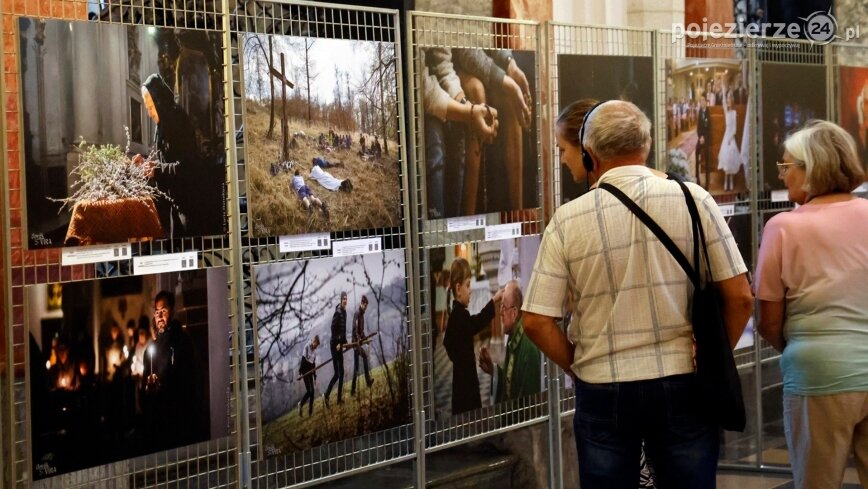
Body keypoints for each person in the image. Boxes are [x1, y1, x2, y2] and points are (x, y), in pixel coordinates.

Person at [521, 100, 753, 489]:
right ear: (644, 148)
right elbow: (741, 298)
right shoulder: (695, 200)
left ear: (590, 155)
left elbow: (535, 321)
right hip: (683, 380)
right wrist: (710, 356)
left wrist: (578, 365)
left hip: (602, 387)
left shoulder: (567, 219)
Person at [754, 120, 868, 489]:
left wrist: (803, 349)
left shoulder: (784, 228)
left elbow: (768, 320)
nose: (783, 176)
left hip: (818, 375)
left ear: (811, 168)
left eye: (787, 166)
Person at [141, 73, 212, 237]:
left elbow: (189, 166)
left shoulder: (178, 121)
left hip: (190, 206)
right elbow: (166, 159)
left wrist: (157, 170)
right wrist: (146, 164)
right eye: (147, 108)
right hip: (176, 204)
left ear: (159, 102)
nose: (149, 113)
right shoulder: (163, 125)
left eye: (150, 107)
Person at [443, 257, 503, 415]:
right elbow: (476, 323)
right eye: (468, 285)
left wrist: (457, 357)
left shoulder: (456, 314)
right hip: (466, 383)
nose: (470, 290)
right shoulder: (460, 315)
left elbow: (447, 342)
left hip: (461, 379)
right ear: (458, 288)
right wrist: (494, 301)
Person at [142, 290, 196, 449]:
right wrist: (148, 387)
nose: (159, 316)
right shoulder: (150, 348)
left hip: (176, 417)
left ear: (172, 311)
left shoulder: (182, 341)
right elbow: (145, 384)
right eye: (157, 312)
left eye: (163, 311)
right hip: (156, 419)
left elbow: (188, 380)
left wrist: (164, 387)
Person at [478, 280, 540, 402]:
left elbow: (530, 405)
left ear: (514, 313)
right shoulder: (513, 336)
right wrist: (493, 370)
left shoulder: (528, 348)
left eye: (503, 307)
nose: (500, 313)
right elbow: (510, 384)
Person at [324, 292, 349, 407]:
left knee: (342, 373)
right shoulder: (338, 313)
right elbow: (333, 329)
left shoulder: (344, 312)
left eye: (346, 299)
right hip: (334, 346)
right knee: (337, 374)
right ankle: (326, 394)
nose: (345, 300)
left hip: (339, 345)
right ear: (340, 300)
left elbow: (342, 331)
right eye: (343, 299)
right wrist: (338, 343)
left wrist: (345, 343)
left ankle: (339, 399)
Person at [717, 89, 743, 192]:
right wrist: (723, 90)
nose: (728, 100)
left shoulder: (733, 112)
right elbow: (723, 102)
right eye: (727, 98)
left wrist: (731, 139)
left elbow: (735, 129)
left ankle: (731, 180)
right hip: (726, 136)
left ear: (732, 100)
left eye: (729, 98)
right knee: (725, 157)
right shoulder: (726, 111)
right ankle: (726, 181)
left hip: (731, 137)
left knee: (731, 158)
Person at [350, 296, 374, 395]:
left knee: (356, 366)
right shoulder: (357, 314)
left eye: (366, 306)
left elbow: (361, 331)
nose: (365, 308)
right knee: (364, 357)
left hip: (359, 341)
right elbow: (355, 329)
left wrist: (365, 339)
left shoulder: (362, 315)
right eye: (365, 306)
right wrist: (358, 340)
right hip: (355, 343)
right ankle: (367, 381)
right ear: (361, 303)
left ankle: (353, 390)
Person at [298, 335, 320, 417]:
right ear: (314, 341)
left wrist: (314, 376)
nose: (316, 347)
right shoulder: (307, 346)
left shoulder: (314, 351)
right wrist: (300, 372)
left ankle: (310, 413)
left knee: (312, 393)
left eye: (317, 346)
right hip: (305, 371)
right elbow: (303, 360)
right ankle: (300, 404)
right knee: (309, 391)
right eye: (316, 345)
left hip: (310, 371)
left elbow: (313, 364)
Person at [696, 96, 711, 186]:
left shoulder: (708, 112)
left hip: (706, 139)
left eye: (703, 101)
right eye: (700, 101)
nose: (701, 102)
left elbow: (709, 128)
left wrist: (704, 138)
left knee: (707, 154)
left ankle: (707, 179)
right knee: (696, 152)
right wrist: (700, 137)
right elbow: (698, 128)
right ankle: (697, 176)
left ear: (706, 102)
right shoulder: (700, 112)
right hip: (701, 138)